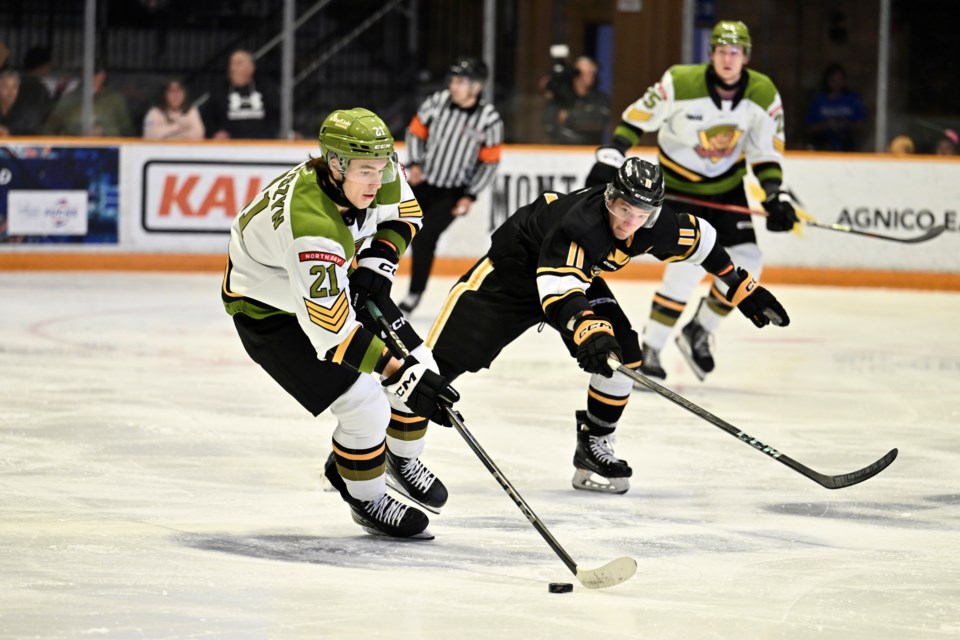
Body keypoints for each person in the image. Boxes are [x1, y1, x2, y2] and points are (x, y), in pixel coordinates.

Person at [425, 158, 789, 494]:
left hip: (572, 279)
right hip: (511, 276)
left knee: (623, 354)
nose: (629, 222)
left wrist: (739, 285)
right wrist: (588, 328)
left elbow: (703, 240)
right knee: (431, 371)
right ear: (609, 198)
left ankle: (594, 443)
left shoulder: (652, 226)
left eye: (641, 214)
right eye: (623, 208)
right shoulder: (580, 224)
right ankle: (392, 454)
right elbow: (560, 290)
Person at [222, 107, 460, 539]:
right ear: (336, 164)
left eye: (383, 168)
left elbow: (407, 214)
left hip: (327, 283)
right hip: (266, 311)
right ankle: (365, 496)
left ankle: (395, 458)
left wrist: (378, 262)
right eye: (366, 172)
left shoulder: (377, 169)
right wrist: (398, 372)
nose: (378, 181)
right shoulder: (312, 228)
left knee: (424, 363)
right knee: (366, 403)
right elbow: (333, 336)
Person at [584, 20, 798, 385]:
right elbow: (637, 118)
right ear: (710, 53)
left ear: (745, 56)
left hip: (727, 188)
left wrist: (775, 194)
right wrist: (612, 154)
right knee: (687, 264)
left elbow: (765, 154)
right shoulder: (680, 82)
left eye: (735, 52)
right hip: (679, 188)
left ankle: (700, 328)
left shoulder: (763, 93)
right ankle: (652, 345)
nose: (727, 59)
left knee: (749, 261)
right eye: (721, 51)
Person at [397, 56, 503, 314]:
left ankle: (414, 293)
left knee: (425, 237)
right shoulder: (438, 101)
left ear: (476, 87)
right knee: (394, 227)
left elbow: (489, 163)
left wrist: (470, 195)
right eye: (452, 80)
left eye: (460, 81)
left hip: (453, 193)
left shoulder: (489, 119)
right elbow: (415, 132)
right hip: (422, 182)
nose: (453, 86)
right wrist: (415, 163)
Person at [42, 60, 135, 137]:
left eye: (95, 75)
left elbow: (127, 130)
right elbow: (49, 130)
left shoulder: (114, 99)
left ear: (102, 76)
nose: (90, 79)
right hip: (75, 151)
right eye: (87, 75)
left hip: (110, 151)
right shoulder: (69, 99)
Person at [203, 49, 278, 140]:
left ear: (251, 68)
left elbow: (277, 115)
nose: (232, 68)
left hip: (262, 146)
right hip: (230, 148)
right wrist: (215, 132)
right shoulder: (219, 91)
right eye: (231, 64)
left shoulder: (266, 89)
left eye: (238, 64)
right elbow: (207, 119)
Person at [542, 55, 612, 145]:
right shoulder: (562, 97)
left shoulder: (601, 99)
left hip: (588, 149)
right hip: (560, 149)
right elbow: (549, 125)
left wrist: (568, 116)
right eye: (582, 73)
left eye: (590, 73)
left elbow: (599, 122)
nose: (586, 77)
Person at [804, 63, 866, 152]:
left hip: (849, 147)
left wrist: (845, 124)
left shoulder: (852, 99)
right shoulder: (819, 100)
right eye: (833, 79)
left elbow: (862, 126)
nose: (837, 83)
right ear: (827, 80)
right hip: (823, 146)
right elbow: (809, 128)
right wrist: (826, 125)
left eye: (840, 79)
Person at [0, 71, 44, 136]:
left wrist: (8, 133)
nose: (10, 92)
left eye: (14, 87)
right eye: (6, 87)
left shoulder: (29, 112)